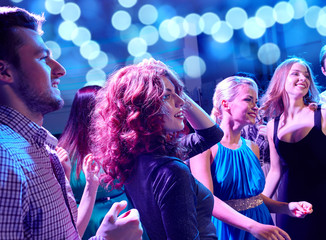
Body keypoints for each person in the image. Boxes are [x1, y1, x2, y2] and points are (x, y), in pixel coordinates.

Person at [0, 6, 142, 239]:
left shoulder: (42, 149)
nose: (60, 70)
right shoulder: (5, 159)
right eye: (43, 58)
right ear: (4, 71)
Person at [91, 58, 224, 239]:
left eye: (178, 94)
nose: (180, 101)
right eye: (166, 96)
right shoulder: (171, 170)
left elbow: (212, 134)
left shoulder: (137, 159)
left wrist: (166, 82)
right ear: (143, 107)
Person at [190, 76, 312, 240]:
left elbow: (253, 198)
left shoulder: (252, 147)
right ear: (226, 104)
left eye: (256, 101)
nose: (256, 107)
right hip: (229, 230)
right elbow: (208, 201)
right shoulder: (204, 149)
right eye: (249, 100)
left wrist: (287, 208)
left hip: (262, 224)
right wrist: (253, 226)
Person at [57, 85, 138, 239]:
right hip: (88, 221)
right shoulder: (63, 151)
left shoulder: (115, 142)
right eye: (105, 105)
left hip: (122, 211)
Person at [260, 57, 326, 240]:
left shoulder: (322, 115)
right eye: (295, 74)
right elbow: (275, 171)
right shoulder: (272, 125)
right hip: (290, 205)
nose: (303, 78)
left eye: (306, 75)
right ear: (281, 80)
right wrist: (260, 202)